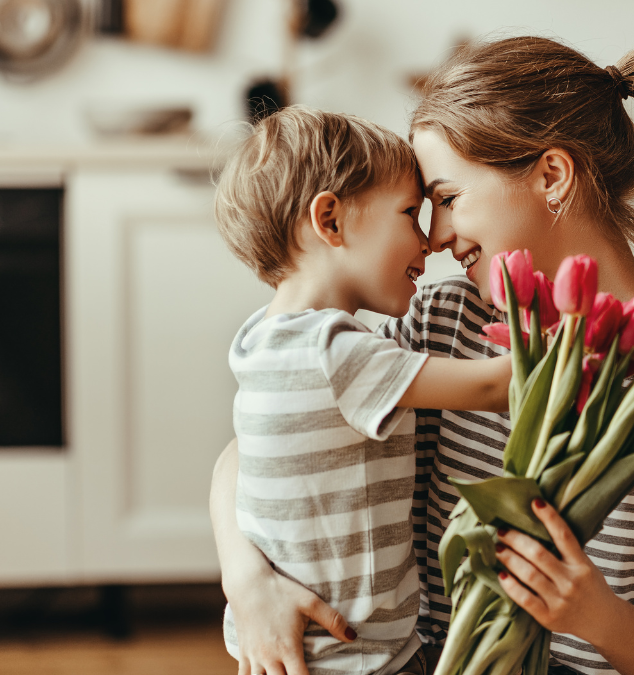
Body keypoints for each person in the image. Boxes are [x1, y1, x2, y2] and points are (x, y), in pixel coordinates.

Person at [211, 37, 634, 675]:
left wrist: (593, 614)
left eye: (447, 199)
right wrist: (246, 579)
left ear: (551, 176)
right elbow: (260, 440)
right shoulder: (442, 323)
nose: (437, 238)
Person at [212, 106, 512, 675]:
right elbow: (497, 386)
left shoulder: (261, 339)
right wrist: (609, 327)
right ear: (330, 221)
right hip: (362, 659)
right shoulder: (336, 354)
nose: (428, 242)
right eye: (409, 213)